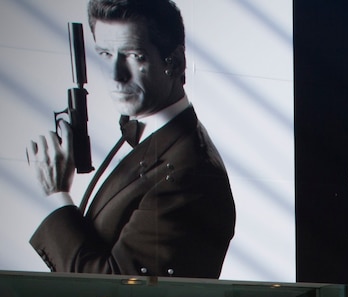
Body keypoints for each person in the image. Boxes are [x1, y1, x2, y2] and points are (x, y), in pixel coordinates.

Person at [26, 0, 235, 278]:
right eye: (105, 54)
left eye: (134, 56)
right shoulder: (149, 134)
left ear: (175, 62)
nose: (116, 76)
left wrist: (57, 194)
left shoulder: (190, 175)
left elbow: (115, 291)